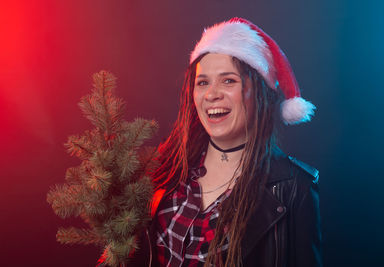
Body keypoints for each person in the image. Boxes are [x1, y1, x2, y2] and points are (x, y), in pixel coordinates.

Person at [100, 17, 322, 267]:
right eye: (202, 82)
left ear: (259, 92)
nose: (212, 94)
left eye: (229, 80)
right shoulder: (167, 169)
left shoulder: (295, 188)